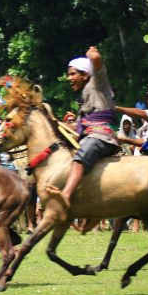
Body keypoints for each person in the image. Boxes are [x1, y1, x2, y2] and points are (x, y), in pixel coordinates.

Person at [46, 47, 121, 208]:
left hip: (102, 137)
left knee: (79, 160)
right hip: (91, 137)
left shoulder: (97, 83)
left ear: (85, 75)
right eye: (68, 74)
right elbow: (78, 126)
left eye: (72, 74)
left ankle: (65, 195)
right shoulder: (83, 99)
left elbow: (98, 61)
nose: (69, 78)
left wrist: (93, 54)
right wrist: (56, 125)